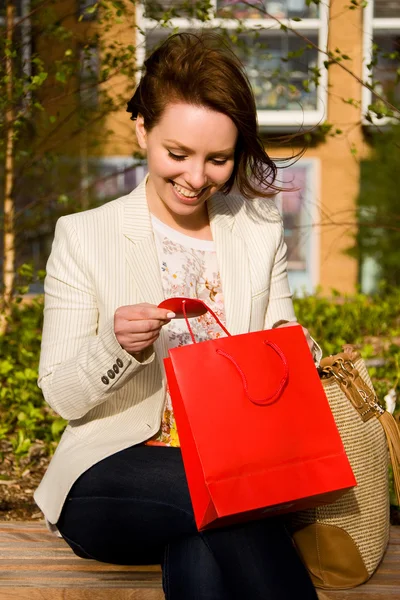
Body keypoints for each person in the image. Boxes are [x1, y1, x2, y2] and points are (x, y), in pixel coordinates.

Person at [34, 32, 321, 600]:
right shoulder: (85, 235)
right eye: (178, 154)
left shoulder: (259, 229)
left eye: (219, 159)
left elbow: (281, 340)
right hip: (112, 474)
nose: (196, 178)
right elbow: (61, 395)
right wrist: (115, 346)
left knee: (207, 544)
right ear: (142, 128)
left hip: (232, 474)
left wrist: (296, 354)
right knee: (234, 502)